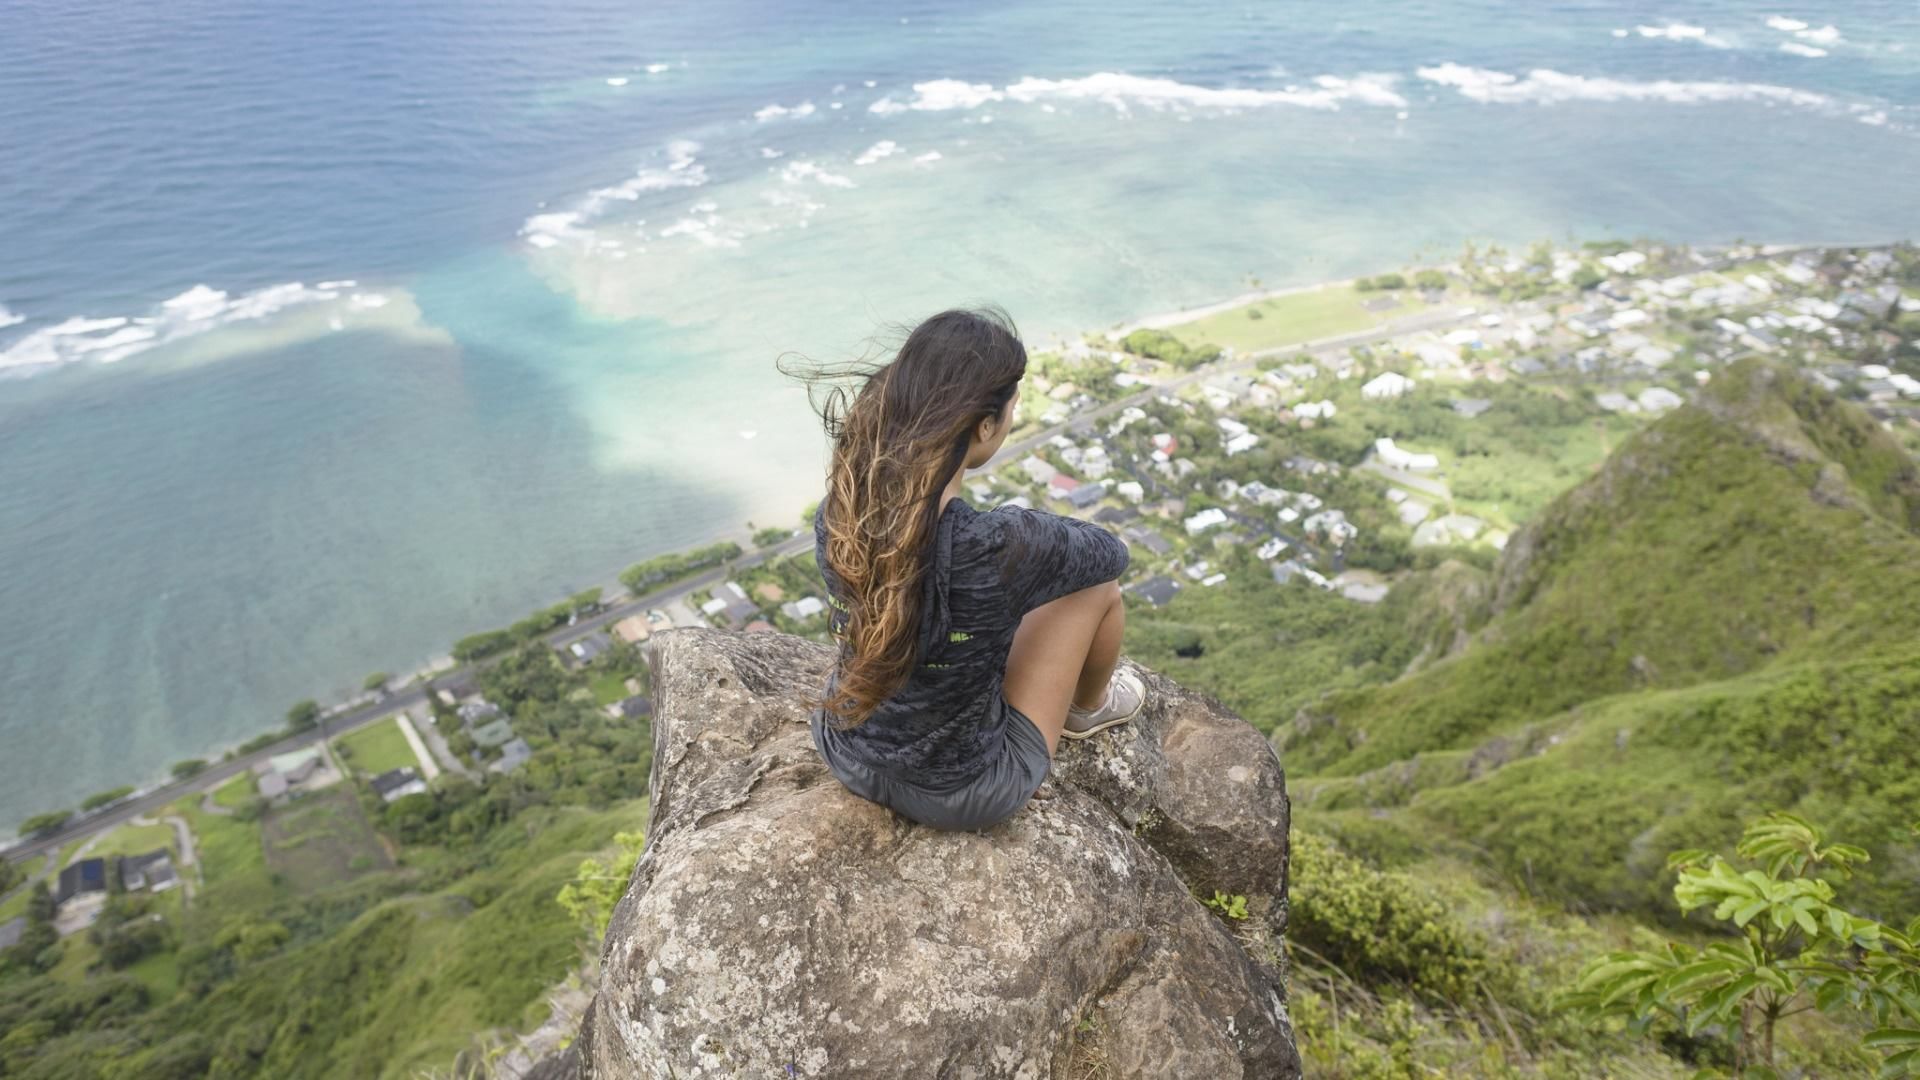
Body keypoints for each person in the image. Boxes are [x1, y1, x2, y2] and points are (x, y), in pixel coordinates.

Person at [796, 307, 1143, 832]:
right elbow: (1109, 555)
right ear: (985, 425)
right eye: (1010, 410)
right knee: (1097, 590)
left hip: (845, 752)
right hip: (963, 791)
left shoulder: (842, 509)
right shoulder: (994, 546)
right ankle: (1089, 709)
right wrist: (1023, 528)